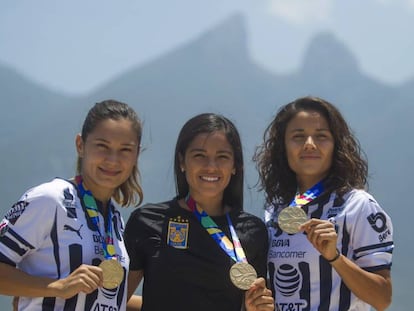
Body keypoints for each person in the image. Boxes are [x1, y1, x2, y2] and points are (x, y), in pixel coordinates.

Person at [0, 99, 143, 310]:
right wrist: (56, 287)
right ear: (80, 145)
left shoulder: (114, 219)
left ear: (136, 155)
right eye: (102, 146)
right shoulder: (50, 200)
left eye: (125, 150)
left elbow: (105, 299)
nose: (113, 160)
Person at [254, 96, 394, 311]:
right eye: (298, 137)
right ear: (282, 146)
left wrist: (335, 257)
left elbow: (382, 298)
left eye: (321, 136)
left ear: (336, 145)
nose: (310, 145)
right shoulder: (275, 209)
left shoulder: (358, 205)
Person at [125, 113, 274, 311]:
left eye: (222, 157)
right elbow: (114, 300)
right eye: (199, 156)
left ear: (235, 166)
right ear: (182, 162)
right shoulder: (147, 221)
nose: (211, 166)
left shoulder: (253, 230)